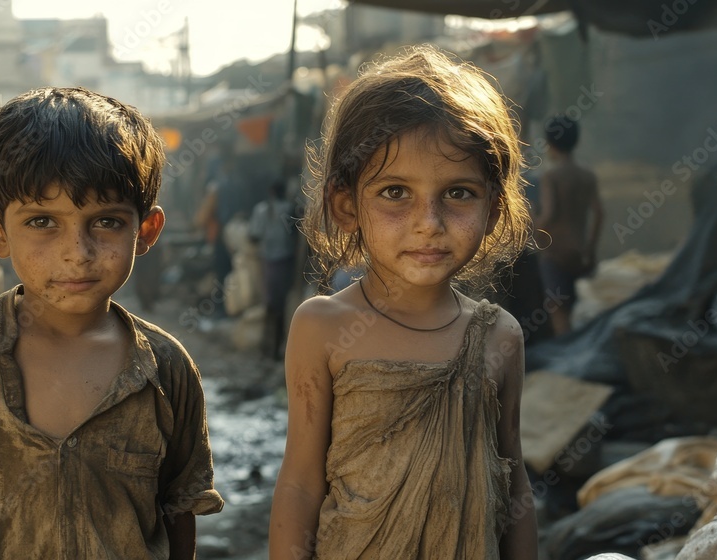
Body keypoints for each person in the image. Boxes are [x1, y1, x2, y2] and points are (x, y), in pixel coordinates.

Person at [0, 87, 224, 559]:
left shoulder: (165, 368)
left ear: (145, 231)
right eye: (43, 222)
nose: (78, 253)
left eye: (106, 222)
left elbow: (178, 512)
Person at [268, 46, 538, 559]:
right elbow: (301, 482)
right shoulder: (323, 326)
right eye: (395, 192)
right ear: (347, 206)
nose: (429, 222)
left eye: (458, 193)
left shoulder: (500, 335)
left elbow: (513, 482)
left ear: (493, 207)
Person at [534, 114, 604, 335]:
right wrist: (590, 249)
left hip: (556, 255)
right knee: (579, 309)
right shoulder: (587, 176)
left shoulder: (552, 176)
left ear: (549, 144)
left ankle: (565, 357)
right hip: (579, 253)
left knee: (559, 314)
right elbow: (599, 213)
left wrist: (530, 226)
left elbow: (550, 214)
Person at [248, 178, 297, 361]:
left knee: (270, 304)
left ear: (270, 192)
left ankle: (267, 346)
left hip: (267, 262)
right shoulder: (289, 209)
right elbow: (295, 234)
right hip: (285, 261)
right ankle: (276, 347)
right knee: (281, 306)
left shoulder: (262, 209)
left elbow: (254, 235)